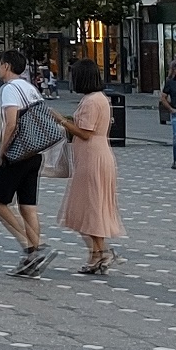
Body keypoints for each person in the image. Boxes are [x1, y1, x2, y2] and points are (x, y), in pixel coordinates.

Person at [53, 58, 124, 274]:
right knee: (90, 205)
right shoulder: (98, 98)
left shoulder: (92, 101)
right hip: (95, 155)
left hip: (92, 157)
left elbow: (85, 132)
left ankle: (100, 252)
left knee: (89, 205)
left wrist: (62, 121)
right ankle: (96, 254)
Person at [0, 49, 56, 276]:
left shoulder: (9, 89)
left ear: (7, 65)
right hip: (35, 153)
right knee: (28, 207)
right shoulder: (30, 88)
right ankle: (33, 259)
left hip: (16, 154)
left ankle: (31, 248)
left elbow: (11, 124)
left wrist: (1, 152)